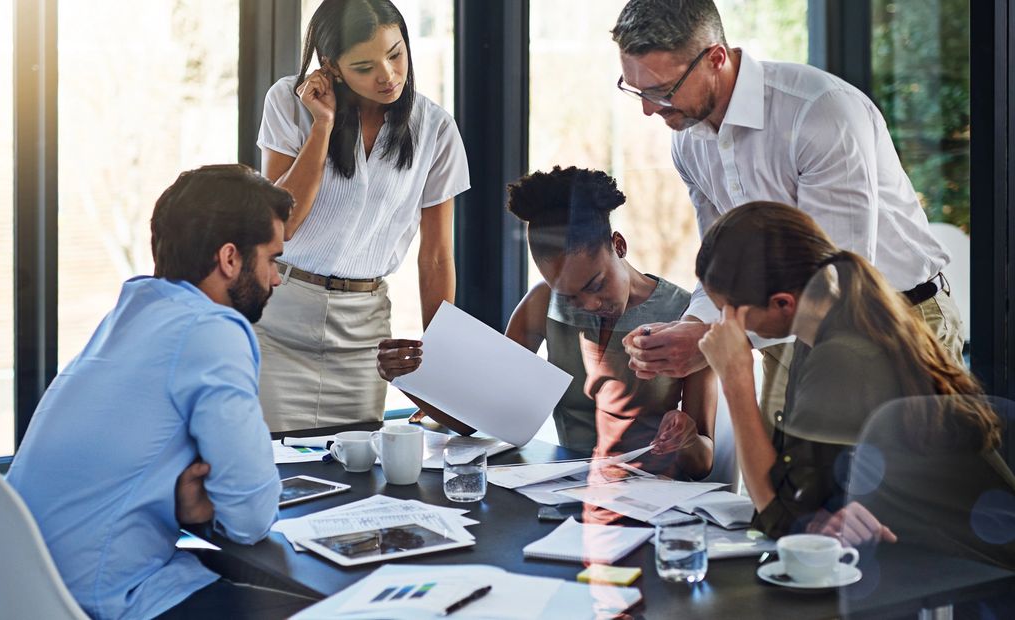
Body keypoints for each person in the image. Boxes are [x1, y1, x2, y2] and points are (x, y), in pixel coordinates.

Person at [609, 0, 962, 430]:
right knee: (776, 490)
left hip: (892, 321)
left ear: (716, 58)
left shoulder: (819, 113)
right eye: (636, 90)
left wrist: (712, 342)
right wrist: (691, 327)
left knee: (896, 491)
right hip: (780, 332)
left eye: (662, 91)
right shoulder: (688, 141)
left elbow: (837, 282)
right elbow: (721, 267)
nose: (649, 109)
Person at [6, 166, 316, 619]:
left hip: (36, 591)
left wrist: (187, 509)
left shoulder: (131, 314)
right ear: (230, 258)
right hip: (111, 598)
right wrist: (209, 507)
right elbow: (250, 518)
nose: (276, 279)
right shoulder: (211, 329)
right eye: (273, 259)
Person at [696, 202, 1013, 568]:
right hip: (922, 557)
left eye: (728, 311)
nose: (723, 324)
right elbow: (795, 494)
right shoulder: (825, 329)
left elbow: (782, 519)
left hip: (968, 573)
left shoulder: (844, 356)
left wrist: (735, 378)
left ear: (783, 302)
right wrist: (814, 515)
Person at [379, 167, 716, 479]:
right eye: (568, 296)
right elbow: (480, 418)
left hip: (653, 497)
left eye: (596, 285)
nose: (589, 305)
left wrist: (685, 437)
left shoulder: (688, 317)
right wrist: (408, 378)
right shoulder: (542, 303)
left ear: (619, 245)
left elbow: (702, 463)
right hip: (562, 488)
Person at [256, 0, 469, 432]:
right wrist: (322, 125)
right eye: (365, 65)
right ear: (332, 67)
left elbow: (436, 258)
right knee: (274, 471)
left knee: (356, 474)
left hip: (364, 332)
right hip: (280, 322)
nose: (388, 76)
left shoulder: (436, 129)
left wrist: (439, 370)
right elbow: (282, 225)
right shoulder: (288, 102)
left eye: (395, 54)